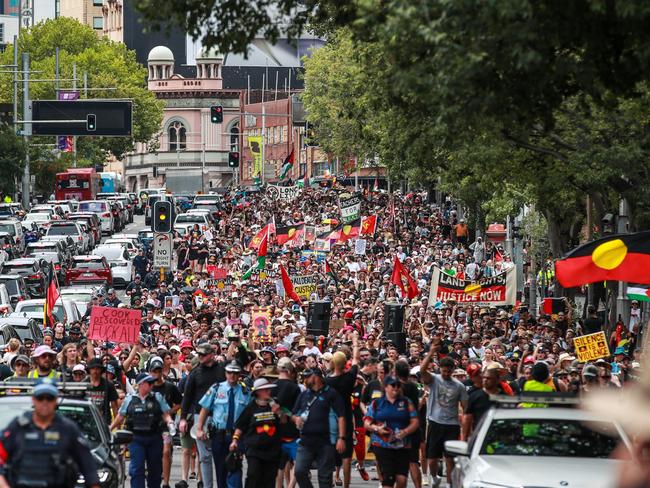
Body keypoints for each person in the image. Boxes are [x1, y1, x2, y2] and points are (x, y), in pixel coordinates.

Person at [0, 379, 100, 488]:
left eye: (49, 398)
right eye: (40, 398)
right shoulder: (17, 427)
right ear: (33, 400)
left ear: (56, 400)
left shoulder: (68, 429)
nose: (45, 402)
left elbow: (89, 468)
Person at [110, 373, 175, 488]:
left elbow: (165, 413)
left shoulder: (157, 397)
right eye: (149, 383)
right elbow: (121, 416)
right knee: (137, 468)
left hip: (154, 437)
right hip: (136, 438)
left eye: (152, 383)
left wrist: (170, 422)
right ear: (141, 384)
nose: (152, 385)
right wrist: (110, 428)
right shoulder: (130, 399)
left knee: (155, 469)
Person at [196, 360, 250, 488]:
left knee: (235, 468)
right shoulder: (216, 389)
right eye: (230, 373)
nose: (232, 376)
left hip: (237, 435)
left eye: (235, 373)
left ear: (239, 375)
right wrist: (199, 428)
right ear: (226, 374)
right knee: (221, 471)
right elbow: (205, 409)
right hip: (219, 435)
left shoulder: (245, 392)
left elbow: (250, 414)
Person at [179, 343, 226, 488]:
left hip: (221, 416)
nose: (200, 357)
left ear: (212, 354)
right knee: (204, 457)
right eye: (198, 354)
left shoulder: (223, 369)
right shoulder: (195, 373)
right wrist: (183, 419)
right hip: (200, 417)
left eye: (203, 354)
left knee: (220, 456)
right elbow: (187, 397)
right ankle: (207, 486)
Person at [421, 346, 468, 487]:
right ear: (439, 369)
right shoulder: (434, 380)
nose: (446, 373)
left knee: (450, 459)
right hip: (435, 423)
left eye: (449, 371)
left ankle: (449, 484)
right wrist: (431, 352)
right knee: (432, 458)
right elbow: (422, 370)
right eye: (444, 371)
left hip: (452, 425)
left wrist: (464, 426)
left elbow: (465, 407)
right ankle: (435, 477)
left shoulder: (459, 386)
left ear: (453, 371)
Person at [292, 368, 346, 488]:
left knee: (325, 478)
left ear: (316, 377)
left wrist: (341, 438)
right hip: (305, 441)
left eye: (307, 377)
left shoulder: (331, 393)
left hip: (325, 441)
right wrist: (296, 419)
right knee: (299, 471)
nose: (305, 380)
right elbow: (294, 413)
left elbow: (341, 416)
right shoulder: (304, 394)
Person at [364, 375, 419, 488]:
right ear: (385, 387)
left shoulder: (406, 402)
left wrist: (405, 431)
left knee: (402, 479)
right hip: (383, 445)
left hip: (403, 445)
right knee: (388, 480)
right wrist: (377, 428)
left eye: (398, 385)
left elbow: (415, 421)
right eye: (393, 385)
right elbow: (367, 422)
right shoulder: (377, 403)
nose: (396, 388)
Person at [231, 378, 284, 488]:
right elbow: (240, 426)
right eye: (266, 390)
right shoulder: (251, 407)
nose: (269, 392)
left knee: (269, 479)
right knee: (253, 475)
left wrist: (279, 412)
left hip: (272, 450)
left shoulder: (275, 404)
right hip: (254, 450)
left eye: (269, 389)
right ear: (259, 392)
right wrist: (235, 440)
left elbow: (284, 421)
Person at [150, 356, 183, 488]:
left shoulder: (170, 387)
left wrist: (168, 411)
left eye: (159, 370)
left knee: (166, 452)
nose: (157, 373)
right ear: (150, 371)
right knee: (153, 454)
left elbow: (180, 403)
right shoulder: (147, 386)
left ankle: (166, 483)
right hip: (150, 426)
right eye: (154, 371)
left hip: (166, 427)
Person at [86, 357, 119, 424]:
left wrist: (117, 426)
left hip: (104, 420)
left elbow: (114, 406)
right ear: (89, 370)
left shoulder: (109, 385)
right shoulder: (83, 384)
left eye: (97, 368)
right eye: (93, 368)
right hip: (87, 420)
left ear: (101, 370)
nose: (95, 371)